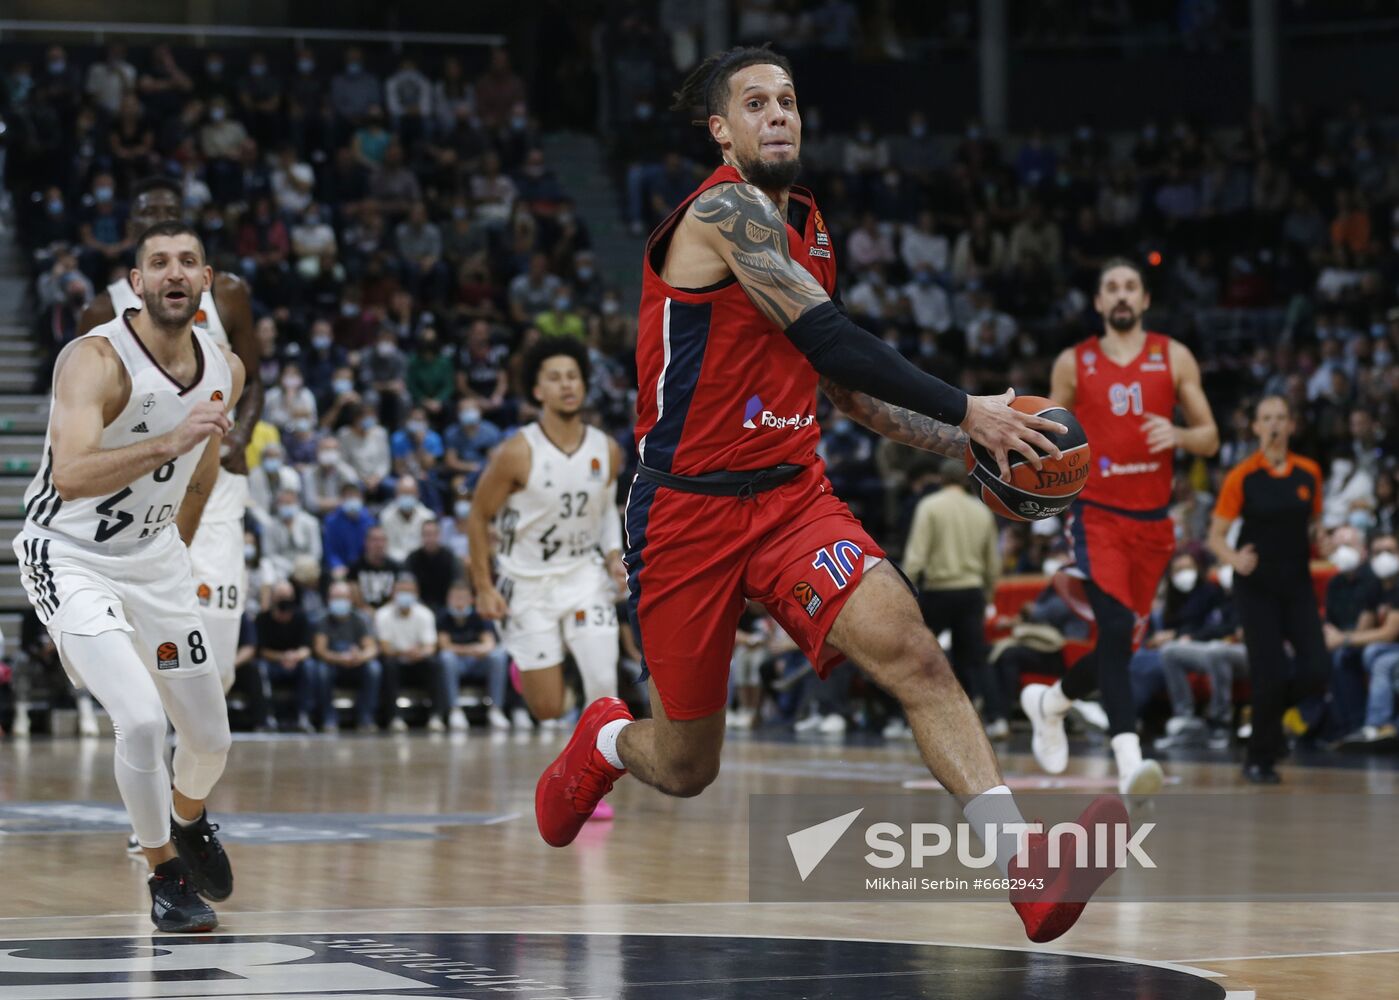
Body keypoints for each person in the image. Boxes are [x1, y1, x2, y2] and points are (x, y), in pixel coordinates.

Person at [532, 46, 1127, 944]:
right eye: (756, 103)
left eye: (790, 101)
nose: (779, 114)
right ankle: (606, 741)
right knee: (688, 765)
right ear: (720, 132)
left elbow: (845, 393)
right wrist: (972, 413)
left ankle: (1027, 875)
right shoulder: (723, 210)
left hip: (789, 497)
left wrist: (973, 444)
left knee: (915, 658)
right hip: (685, 508)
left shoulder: (807, 222)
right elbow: (834, 340)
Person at [13, 222, 244, 931]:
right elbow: (72, 474)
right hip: (70, 554)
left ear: (206, 281)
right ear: (136, 283)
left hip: (155, 562)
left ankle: (187, 818)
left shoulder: (224, 368)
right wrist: (168, 438)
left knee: (209, 740)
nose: (173, 272)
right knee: (141, 721)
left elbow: (201, 468)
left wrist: (170, 547)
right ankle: (163, 872)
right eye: (157, 263)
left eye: (187, 262)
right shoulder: (95, 359)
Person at [1022, 258, 1219, 794]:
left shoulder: (1172, 356)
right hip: (1097, 516)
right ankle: (1131, 760)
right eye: (1112, 288)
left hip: (1154, 525)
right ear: (1099, 303)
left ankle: (1051, 702)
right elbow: (1046, 436)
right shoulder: (1073, 362)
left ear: (1146, 299)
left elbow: (1211, 437)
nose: (1122, 295)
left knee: (1120, 649)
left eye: (1131, 287)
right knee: (1111, 631)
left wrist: (1178, 436)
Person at [79, 176, 262, 697]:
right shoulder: (101, 309)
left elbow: (254, 380)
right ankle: (146, 725)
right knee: (141, 613)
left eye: (168, 208)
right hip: (140, 483)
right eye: (146, 210)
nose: (157, 214)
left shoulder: (227, 293)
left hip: (214, 474)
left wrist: (239, 437)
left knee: (219, 611)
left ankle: (198, 726)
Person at [467, 336, 627, 726]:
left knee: (604, 683)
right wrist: (484, 587)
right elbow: (476, 516)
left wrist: (612, 556)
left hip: (583, 575)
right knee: (548, 708)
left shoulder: (606, 449)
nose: (567, 385)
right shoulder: (516, 452)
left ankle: (596, 781)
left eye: (573, 376)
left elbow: (605, 511)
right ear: (538, 391)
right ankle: (533, 671)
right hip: (526, 582)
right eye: (555, 378)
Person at [1207, 395, 1329, 783]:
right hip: (1256, 587)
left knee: (1317, 669)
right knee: (1269, 674)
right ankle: (1258, 758)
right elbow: (1216, 537)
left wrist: (1321, 538)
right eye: (1267, 418)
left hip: (1297, 584)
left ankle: (1267, 721)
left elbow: (1313, 523)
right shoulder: (1242, 476)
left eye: (1281, 417)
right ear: (1256, 427)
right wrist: (1233, 558)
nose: (1275, 424)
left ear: (1291, 425)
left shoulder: (1309, 472)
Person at [902, 458, 1003, 737]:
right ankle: (996, 718)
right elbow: (993, 562)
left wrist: (907, 592)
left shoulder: (929, 506)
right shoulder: (981, 511)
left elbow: (916, 556)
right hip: (971, 592)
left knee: (922, 656)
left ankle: (912, 720)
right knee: (975, 659)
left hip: (938, 591)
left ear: (941, 479)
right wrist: (988, 595)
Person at [437, 581, 511, 730]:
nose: (459, 602)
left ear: (471, 600)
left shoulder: (479, 615)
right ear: (448, 599)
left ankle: (496, 709)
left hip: (477, 663)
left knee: (498, 656)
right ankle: (454, 710)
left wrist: (471, 650)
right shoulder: (443, 616)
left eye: (462, 598)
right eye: (455, 598)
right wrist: (471, 649)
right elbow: (444, 645)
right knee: (446, 657)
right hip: (457, 663)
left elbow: (489, 644)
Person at [374, 576, 442, 732]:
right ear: (393, 593)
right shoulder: (382, 614)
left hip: (418, 660)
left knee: (434, 663)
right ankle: (394, 718)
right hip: (396, 661)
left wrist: (419, 653)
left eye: (408, 591)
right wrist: (404, 652)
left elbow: (430, 647)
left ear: (416, 593)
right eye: (401, 591)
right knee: (388, 666)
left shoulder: (425, 614)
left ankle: (436, 716)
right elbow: (384, 648)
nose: (405, 594)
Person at [313, 581, 382, 732]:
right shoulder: (323, 619)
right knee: (321, 671)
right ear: (328, 599)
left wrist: (360, 657)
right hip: (333, 663)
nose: (339, 601)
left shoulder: (361, 619)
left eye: (343, 597)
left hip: (356, 663)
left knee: (374, 669)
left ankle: (366, 717)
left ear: (350, 599)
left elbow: (371, 648)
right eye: (335, 597)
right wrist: (340, 658)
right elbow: (320, 650)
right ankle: (328, 718)